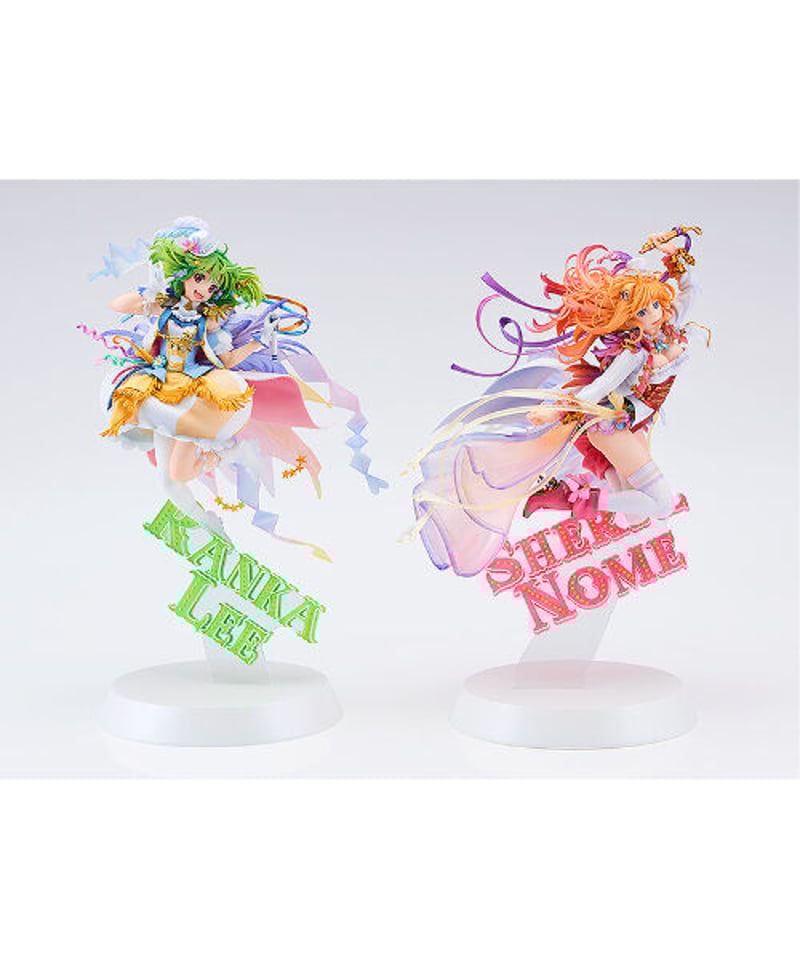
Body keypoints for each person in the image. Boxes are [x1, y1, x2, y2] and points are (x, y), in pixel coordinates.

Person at [410, 228, 708, 577]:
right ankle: (572, 501)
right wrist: (556, 408)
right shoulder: (631, 352)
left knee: (634, 515)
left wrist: (674, 256)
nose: (654, 314)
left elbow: (691, 290)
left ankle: (565, 503)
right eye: (642, 312)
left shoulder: (666, 330)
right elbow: (599, 388)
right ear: (627, 319)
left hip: (635, 423)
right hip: (614, 425)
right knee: (660, 503)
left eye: (655, 305)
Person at [91, 216, 384, 549]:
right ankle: (211, 530)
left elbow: (226, 362)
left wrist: (260, 342)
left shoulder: (209, 325)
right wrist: (154, 294)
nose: (204, 288)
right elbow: (117, 304)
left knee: (180, 474)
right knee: (169, 483)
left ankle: (232, 455)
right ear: (184, 274)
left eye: (211, 286)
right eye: (199, 278)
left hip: (190, 398)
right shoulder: (164, 309)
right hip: (157, 388)